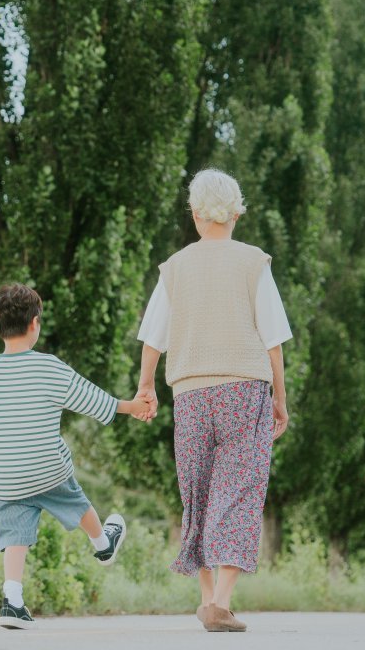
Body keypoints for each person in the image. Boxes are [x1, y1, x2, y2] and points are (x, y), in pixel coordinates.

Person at [134, 168, 292, 633]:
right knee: (240, 491)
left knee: (197, 492)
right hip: (244, 389)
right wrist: (280, 400)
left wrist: (146, 386)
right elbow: (274, 340)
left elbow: (152, 336)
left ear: (195, 214)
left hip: (190, 393)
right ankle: (221, 600)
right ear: (237, 212)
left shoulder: (175, 266)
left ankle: (206, 598)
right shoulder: (253, 263)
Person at [0, 282, 156, 630]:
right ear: (35, 323)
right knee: (75, 499)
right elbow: (91, 399)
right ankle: (102, 543)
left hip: (6, 476)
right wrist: (134, 407)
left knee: (13, 533)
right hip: (47, 468)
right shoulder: (48, 366)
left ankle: (12, 601)